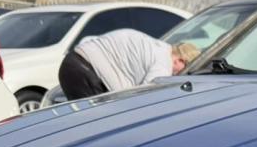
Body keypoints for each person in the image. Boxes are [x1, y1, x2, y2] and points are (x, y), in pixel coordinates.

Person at [57, 28, 201, 100]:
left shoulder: (157, 46)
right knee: (95, 127)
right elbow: (147, 95)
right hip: (86, 73)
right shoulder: (163, 63)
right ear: (180, 61)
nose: (179, 75)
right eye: (185, 70)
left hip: (72, 63)